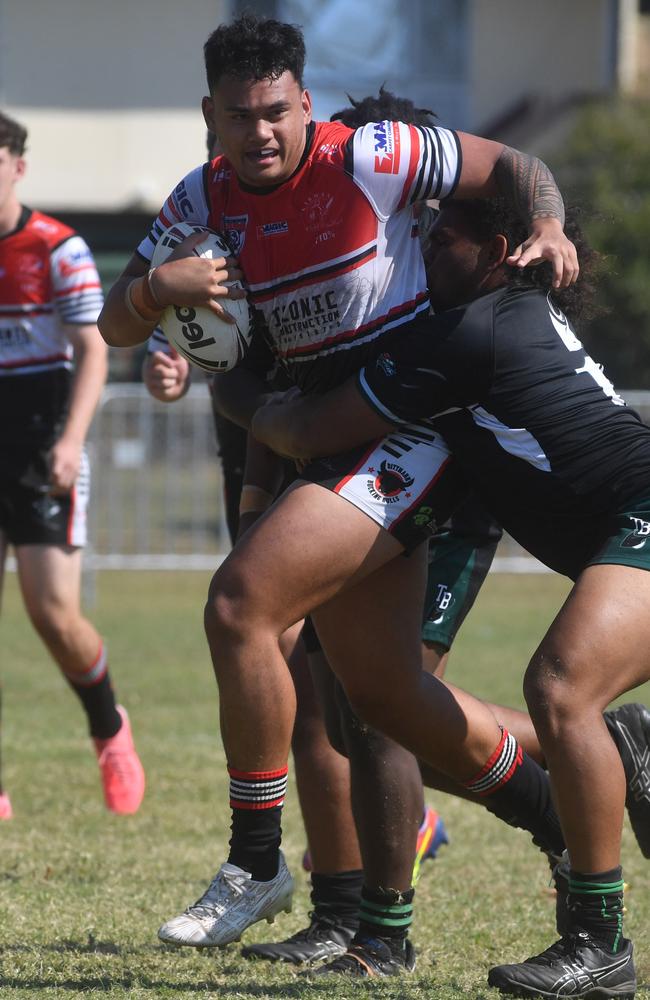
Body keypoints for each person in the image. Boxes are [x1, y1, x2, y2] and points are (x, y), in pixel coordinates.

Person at [98, 11, 580, 973]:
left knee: (240, 605)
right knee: (381, 699)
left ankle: (257, 862)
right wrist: (157, 291)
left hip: (412, 432)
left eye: (275, 111)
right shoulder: (200, 198)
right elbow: (119, 324)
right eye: (239, 116)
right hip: (333, 441)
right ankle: (552, 825)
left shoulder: (373, 154)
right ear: (212, 116)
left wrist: (551, 222)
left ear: (305, 102)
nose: (260, 132)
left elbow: (511, 167)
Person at [251, 197, 650, 997]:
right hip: (629, 522)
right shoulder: (494, 314)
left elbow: (315, 429)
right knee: (508, 702)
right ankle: (624, 753)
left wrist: (240, 388)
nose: (421, 253)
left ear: (496, 249)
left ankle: (599, 943)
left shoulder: (470, 332)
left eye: (439, 241)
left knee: (561, 688)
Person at [0, 110, 145, 818]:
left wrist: (68, 442)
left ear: (17, 166)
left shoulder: (56, 248)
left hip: (38, 446)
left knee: (51, 612)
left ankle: (109, 728)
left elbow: (93, 349)